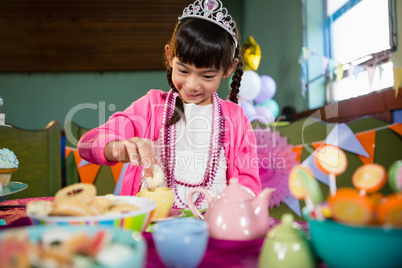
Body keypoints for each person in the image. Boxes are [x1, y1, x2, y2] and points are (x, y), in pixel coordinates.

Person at [78, 0, 261, 209]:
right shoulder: (151, 107)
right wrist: (117, 148)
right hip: (150, 225)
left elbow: (249, 182)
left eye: (207, 75)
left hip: (212, 227)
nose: (192, 85)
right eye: (183, 71)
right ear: (169, 57)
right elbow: (86, 144)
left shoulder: (235, 119)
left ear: (228, 69)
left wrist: (237, 203)